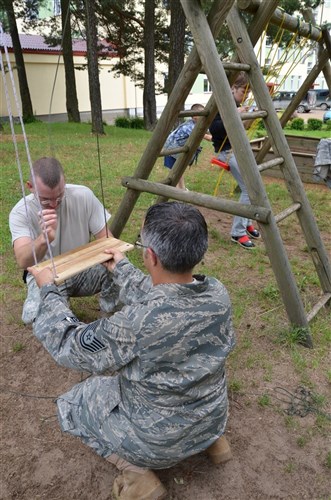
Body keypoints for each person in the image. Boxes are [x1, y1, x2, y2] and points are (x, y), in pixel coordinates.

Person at [28, 201, 236, 500]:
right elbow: (164, 300)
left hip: (158, 442)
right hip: (212, 418)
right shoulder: (217, 293)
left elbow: (69, 344)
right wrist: (121, 269)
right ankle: (212, 443)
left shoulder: (133, 325)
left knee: (74, 402)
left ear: (150, 255)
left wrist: (47, 290)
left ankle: (137, 472)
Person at [9, 156, 119, 324]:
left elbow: (107, 240)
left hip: (82, 268)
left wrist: (115, 259)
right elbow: (23, 260)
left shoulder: (83, 195)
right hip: (46, 275)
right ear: (30, 187)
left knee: (118, 266)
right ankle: (61, 309)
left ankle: (109, 319)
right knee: (33, 318)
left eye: (59, 196)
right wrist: (43, 239)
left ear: (65, 182)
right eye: (45, 199)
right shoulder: (20, 212)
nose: (54, 205)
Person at [209, 72, 261, 249]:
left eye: (247, 93)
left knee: (253, 185)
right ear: (232, 88)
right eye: (243, 92)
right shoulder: (220, 103)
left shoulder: (236, 104)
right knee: (248, 188)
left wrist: (247, 117)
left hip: (237, 150)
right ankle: (237, 232)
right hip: (226, 152)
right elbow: (215, 129)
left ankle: (246, 223)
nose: (245, 96)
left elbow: (239, 128)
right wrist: (233, 115)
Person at [163, 103, 212, 190]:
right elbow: (204, 136)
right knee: (175, 172)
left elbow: (208, 131)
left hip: (177, 149)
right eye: (201, 114)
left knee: (180, 170)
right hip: (171, 150)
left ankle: (182, 188)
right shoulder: (190, 126)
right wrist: (217, 138)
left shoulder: (197, 124)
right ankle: (178, 190)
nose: (204, 117)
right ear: (194, 117)